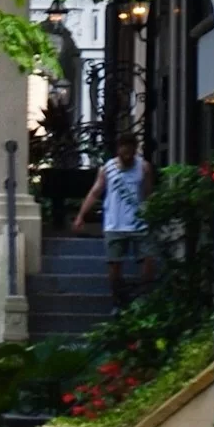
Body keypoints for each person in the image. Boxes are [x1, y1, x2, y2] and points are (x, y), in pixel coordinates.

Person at [75, 131, 154, 310]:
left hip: (139, 222)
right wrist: (81, 215)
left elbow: (148, 193)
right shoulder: (107, 169)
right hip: (114, 223)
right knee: (114, 264)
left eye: (130, 151)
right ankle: (119, 299)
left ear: (135, 150)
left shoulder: (144, 167)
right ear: (118, 150)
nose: (127, 156)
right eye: (123, 151)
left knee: (148, 259)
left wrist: (151, 214)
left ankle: (145, 298)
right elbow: (95, 192)